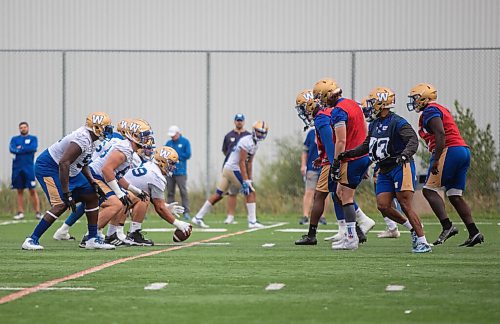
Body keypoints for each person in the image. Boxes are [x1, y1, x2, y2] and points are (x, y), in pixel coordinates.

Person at [339, 87, 431, 253]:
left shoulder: (397, 121)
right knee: (383, 205)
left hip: (399, 166)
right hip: (383, 168)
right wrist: (349, 153)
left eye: (373, 102)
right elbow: (367, 146)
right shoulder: (375, 123)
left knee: (405, 203)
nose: (370, 106)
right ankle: (412, 229)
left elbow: (412, 140)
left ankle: (422, 241)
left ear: (382, 103)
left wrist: (404, 155)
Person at [293, 84, 373, 247]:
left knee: (321, 195)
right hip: (346, 157)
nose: (302, 111)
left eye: (302, 107)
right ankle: (354, 230)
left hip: (335, 161)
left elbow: (333, 143)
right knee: (339, 195)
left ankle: (312, 235)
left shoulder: (321, 118)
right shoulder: (328, 113)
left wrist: (333, 163)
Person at [21, 112, 115, 250]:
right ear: (96, 127)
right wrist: (66, 192)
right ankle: (31, 239)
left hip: (68, 169)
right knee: (61, 204)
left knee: (92, 195)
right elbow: (63, 162)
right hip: (48, 167)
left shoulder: (92, 139)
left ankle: (92, 239)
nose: (108, 130)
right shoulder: (83, 138)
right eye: (105, 127)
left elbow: (82, 163)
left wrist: (92, 181)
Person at [407, 83, 483, 247]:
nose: (414, 102)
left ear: (424, 98)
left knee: (428, 189)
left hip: (449, 150)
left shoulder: (430, 110)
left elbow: (440, 133)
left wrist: (436, 159)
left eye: (415, 98)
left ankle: (447, 226)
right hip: (462, 150)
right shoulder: (440, 109)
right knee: (454, 195)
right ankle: (474, 232)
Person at [192, 121, 269, 229]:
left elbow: (250, 162)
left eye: (262, 132)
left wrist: (249, 179)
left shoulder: (255, 144)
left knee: (219, 195)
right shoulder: (246, 141)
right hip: (233, 168)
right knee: (250, 192)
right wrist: (246, 180)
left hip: (228, 168)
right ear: (253, 130)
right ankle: (252, 222)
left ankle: (198, 217)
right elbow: (242, 162)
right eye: (258, 131)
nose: (260, 134)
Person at [116, 146, 192, 246]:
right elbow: (159, 207)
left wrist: (165, 206)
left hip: (115, 193)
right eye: (172, 163)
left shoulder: (149, 166)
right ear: (162, 162)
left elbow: (153, 198)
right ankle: (116, 234)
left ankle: (132, 233)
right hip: (116, 198)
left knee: (144, 197)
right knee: (143, 197)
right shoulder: (157, 176)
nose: (173, 167)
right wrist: (178, 223)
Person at [296, 91, 327, 226]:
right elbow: (305, 151)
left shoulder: (325, 126)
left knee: (325, 193)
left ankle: (322, 216)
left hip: (325, 165)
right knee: (309, 191)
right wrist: (303, 165)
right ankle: (305, 215)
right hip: (313, 166)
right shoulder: (311, 133)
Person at [221, 113, 251, 225]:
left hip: (243, 168)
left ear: (244, 121)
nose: (239, 122)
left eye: (241, 120)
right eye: (237, 120)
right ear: (234, 121)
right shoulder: (228, 135)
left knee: (247, 192)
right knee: (232, 193)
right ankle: (230, 216)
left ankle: (250, 217)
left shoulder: (248, 135)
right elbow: (225, 150)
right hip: (232, 169)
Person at [9, 122, 42, 220]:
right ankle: (20, 212)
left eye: (24, 127)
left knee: (32, 190)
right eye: (21, 127)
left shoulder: (33, 138)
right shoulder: (15, 139)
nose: (23, 129)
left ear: (28, 128)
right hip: (17, 168)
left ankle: (38, 212)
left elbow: (33, 148)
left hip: (29, 168)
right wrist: (21, 149)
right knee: (19, 190)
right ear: (19, 129)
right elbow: (12, 149)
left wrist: (20, 149)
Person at [165, 125, 192, 221]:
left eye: (173, 135)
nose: (172, 137)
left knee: (183, 192)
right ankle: (168, 212)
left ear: (178, 133)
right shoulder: (169, 143)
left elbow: (188, 154)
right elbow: (165, 154)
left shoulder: (185, 142)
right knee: (170, 192)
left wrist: (176, 156)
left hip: (181, 171)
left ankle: (186, 212)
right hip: (170, 172)